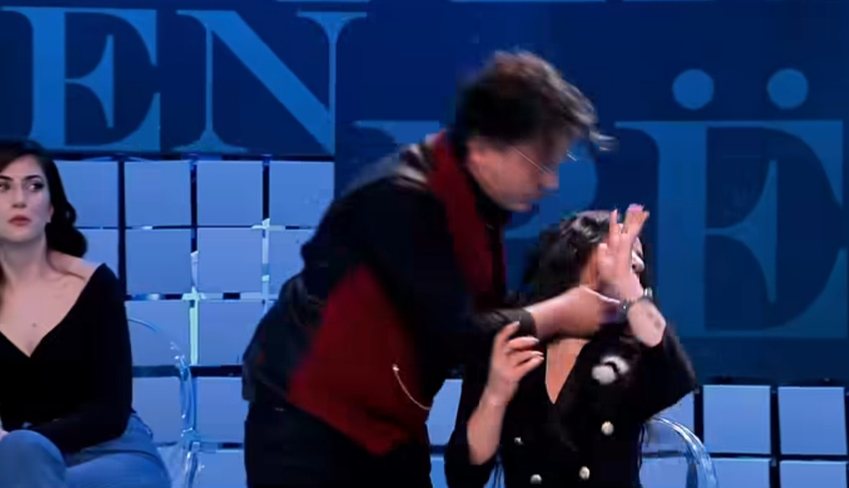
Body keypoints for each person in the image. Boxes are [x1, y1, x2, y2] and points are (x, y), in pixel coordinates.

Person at [241, 50, 645, 487]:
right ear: (486, 146)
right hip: (311, 420)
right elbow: (455, 332)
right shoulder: (403, 197)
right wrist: (560, 313)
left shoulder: (480, 211)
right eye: (541, 162)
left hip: (391, 427)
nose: (551, 182)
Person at [444, 210, 697, 488]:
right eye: (620, 251)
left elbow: (675, 377)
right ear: (576, 255)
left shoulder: (631, 351)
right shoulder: (513, 342)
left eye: (637, 258)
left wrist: (630, 288)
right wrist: (494, 397)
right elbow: (463, 476)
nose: (636, 264)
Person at [0, 140, 169, 488]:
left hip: (110, 452)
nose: (20, 200)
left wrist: (22, 443)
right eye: (3, 187)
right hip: (14, 459)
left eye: (34, 186)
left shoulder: (94, 284)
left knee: (25, 457)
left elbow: (111, 412)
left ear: (51, 208)